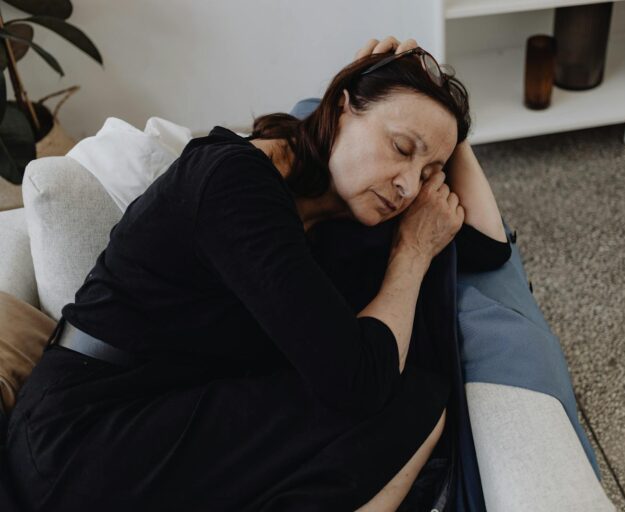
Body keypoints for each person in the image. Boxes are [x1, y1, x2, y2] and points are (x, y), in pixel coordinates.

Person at [5, 37, 511, 511]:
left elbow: (488, 249)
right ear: (339, 109)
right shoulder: (236, 182)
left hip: (168, 409)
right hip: (82, 438)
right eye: (401, 148)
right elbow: (360, 384)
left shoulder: (337, 207)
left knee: (417, 398)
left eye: (426, 174)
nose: (407, 186)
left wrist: (443, 123)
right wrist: (412, 253)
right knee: (406, 403)